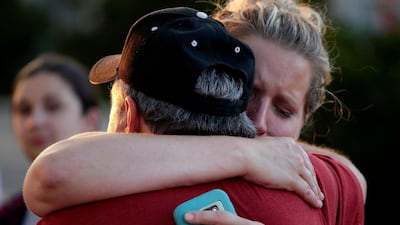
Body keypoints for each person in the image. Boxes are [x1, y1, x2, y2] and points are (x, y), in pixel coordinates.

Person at [25, 3, 365, 225]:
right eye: (247, 91)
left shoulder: (321, 183)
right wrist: (244, 153)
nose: (259, 123)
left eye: (284, 109)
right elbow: (53, 173)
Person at [0, 53, 101, 225]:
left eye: (53, 107)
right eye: (24, 110)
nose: (34, 122)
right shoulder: (8, 216)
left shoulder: (122, 208)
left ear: (90, 119)